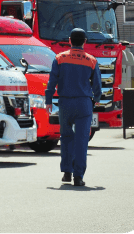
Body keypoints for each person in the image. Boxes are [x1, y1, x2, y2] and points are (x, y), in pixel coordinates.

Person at [45, 28, 102, 186]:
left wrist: (48, 100)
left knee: (66, 138)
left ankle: (67, 173)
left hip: (65, 103)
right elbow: (98, 86)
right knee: (81, 140)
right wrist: (95, 100)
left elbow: (52, 82)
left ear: (69, 40)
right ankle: (78, 176)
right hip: (84, 104)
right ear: (85, 42)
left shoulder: (60, 58)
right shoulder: (91, 60)